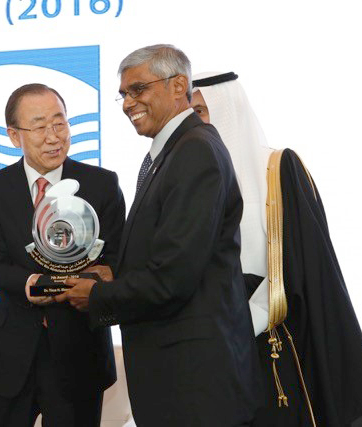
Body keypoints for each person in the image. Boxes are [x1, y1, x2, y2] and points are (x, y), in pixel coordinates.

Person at [56, 44, 260, 426]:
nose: (126, 103)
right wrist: (113, 273)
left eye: (138, 89)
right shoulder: (172, 152)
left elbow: (174, 276)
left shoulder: (194, 151)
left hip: (193, 381)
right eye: (123, 94)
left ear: (178, 84)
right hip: (178, 375)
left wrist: (99, 295)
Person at [191, 71, 362, 426]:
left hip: (270, 338)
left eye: (200, 111)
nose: (195, 123)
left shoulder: (276, 169)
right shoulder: (190, 177)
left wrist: (249, 318)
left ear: (227, 110)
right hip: (208, 346)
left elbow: (304, 262)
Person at [0, 83, 125, 427]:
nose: (54, 136)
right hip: (12, 351)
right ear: (15, 135)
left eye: (60, 123)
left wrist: (84, 282)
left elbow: (117, 258)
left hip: (79, 348)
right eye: (40, 126)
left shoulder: (102, 184)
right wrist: (31, 284)